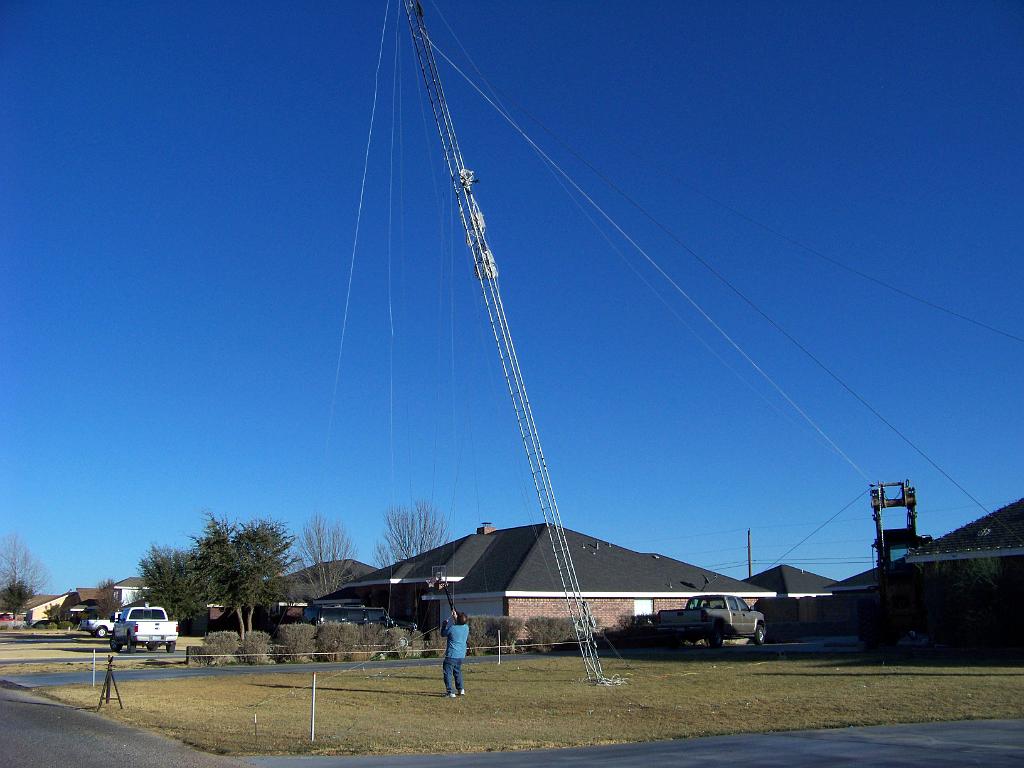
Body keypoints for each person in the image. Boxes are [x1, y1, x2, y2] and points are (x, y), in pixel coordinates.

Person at [440, 609, 469, 698]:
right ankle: (461, 689)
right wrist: (455, 616)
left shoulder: (452, 628)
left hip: (451, 655)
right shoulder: (466, 627)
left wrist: (444, 625)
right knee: (457, 672)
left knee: (448, 673)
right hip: (461, 655)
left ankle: (450, 692)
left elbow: (443, 634)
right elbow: (460, 622)